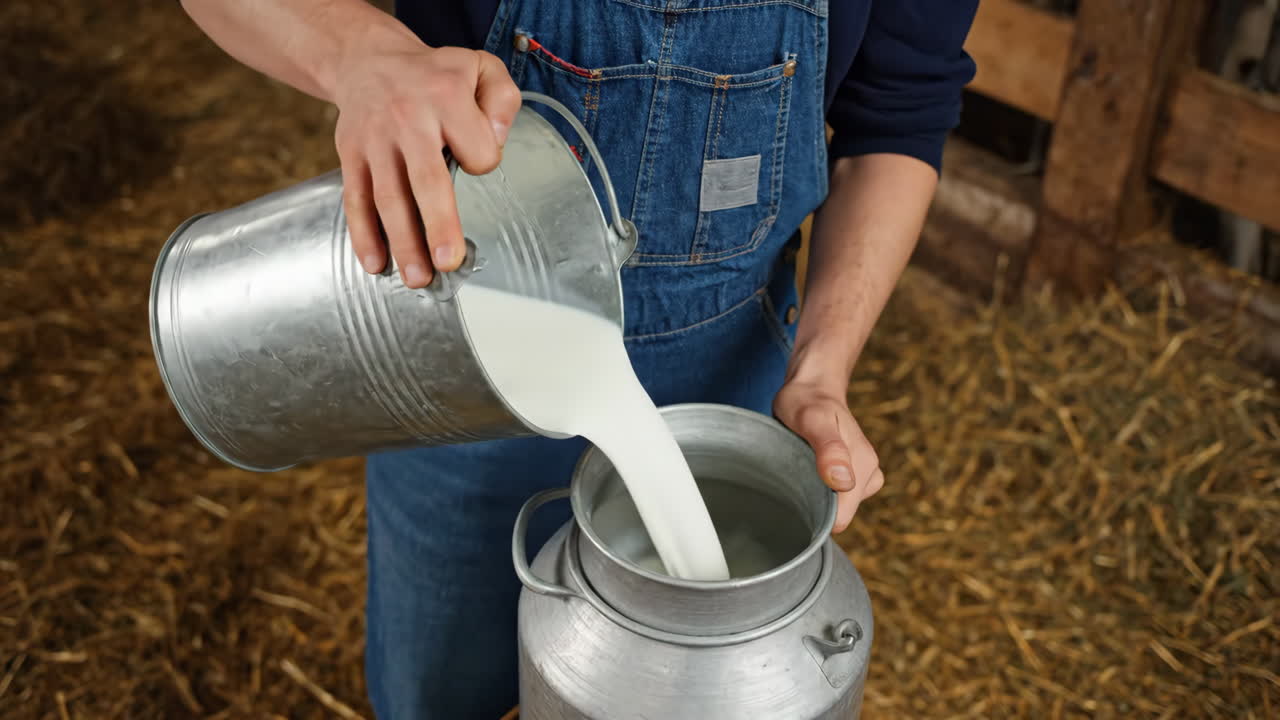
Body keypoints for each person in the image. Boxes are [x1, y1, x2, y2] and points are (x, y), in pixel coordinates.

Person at [181, 0, 978, 717]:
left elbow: (897, 119)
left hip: (734, 375)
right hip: (457, 357)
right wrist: (360, 53)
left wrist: (823, 370)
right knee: (438, 691)